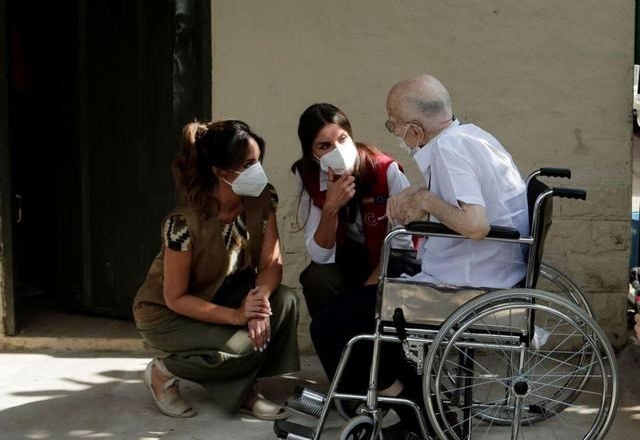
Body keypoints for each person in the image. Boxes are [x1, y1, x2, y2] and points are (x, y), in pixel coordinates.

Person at [309, 76, 529, 439]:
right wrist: (421, 194)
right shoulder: (470, 135)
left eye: (392, 123)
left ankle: (416, 414)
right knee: (352, 310)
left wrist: (426, 202)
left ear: (414, 129)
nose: (393, 130)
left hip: (469, 287)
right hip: (491, 273)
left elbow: (475, 224)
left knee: (330, 324)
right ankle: (424, 411)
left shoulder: (449, 149)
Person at [133, 119, 299, 420]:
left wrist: (259, 302)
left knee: (284, 301)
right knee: (241, 345)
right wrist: (237, 316)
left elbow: (271, 263)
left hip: (222, 295)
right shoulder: (182, 223)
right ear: (220, 172)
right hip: (167, 315)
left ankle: (246, 388)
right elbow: (176, 298)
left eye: (259, 161)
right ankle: (163, 371)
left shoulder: (264, 199)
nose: (258, 171)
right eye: (248, 164)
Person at [292, 103, 416, 317]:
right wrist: (331, 207)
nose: (337, 151)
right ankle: (333, 347)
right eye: (324, 146)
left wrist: (362, 295)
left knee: (361, 305)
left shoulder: (386, 170)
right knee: (317, 278)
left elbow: (401, 246)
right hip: (347, 258)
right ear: (312, 154)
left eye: (342, 139)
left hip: (390, 259)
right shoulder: (309, 176)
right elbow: (320, 256)